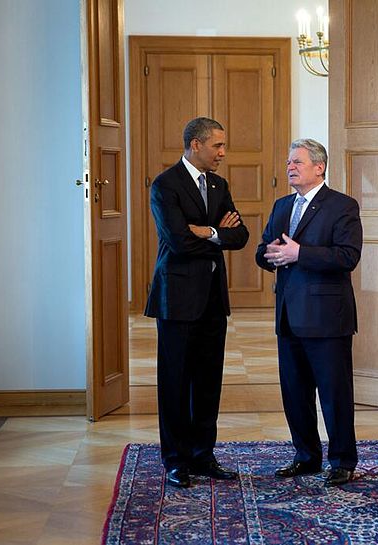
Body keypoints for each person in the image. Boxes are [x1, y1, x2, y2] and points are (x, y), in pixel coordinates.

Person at [145, 117, 249, 488]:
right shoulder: (165, 185)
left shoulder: (219, 184)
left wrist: (208, 230)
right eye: (217, 146)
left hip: (211, 299)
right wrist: (217, 234)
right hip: (176, 298)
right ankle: (176, 460)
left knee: (208, 382)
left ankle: (203, 455)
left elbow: (240, 236)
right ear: (194, 145)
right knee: (174, 382)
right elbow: (177, 241)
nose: (223, 153)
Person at [255, 138, 362, 487]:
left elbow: (347, 257)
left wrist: (301, 254)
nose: (290, 167)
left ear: (320, 167)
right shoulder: (282, 205)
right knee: (295, 393)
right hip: (288, 315)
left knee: (334, 393)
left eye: (298, 162)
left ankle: (343, 460)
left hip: (327, 316)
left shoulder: (342, 206)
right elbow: (264, 251)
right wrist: (268, 253)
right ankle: (306, 456)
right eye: (288, 162)